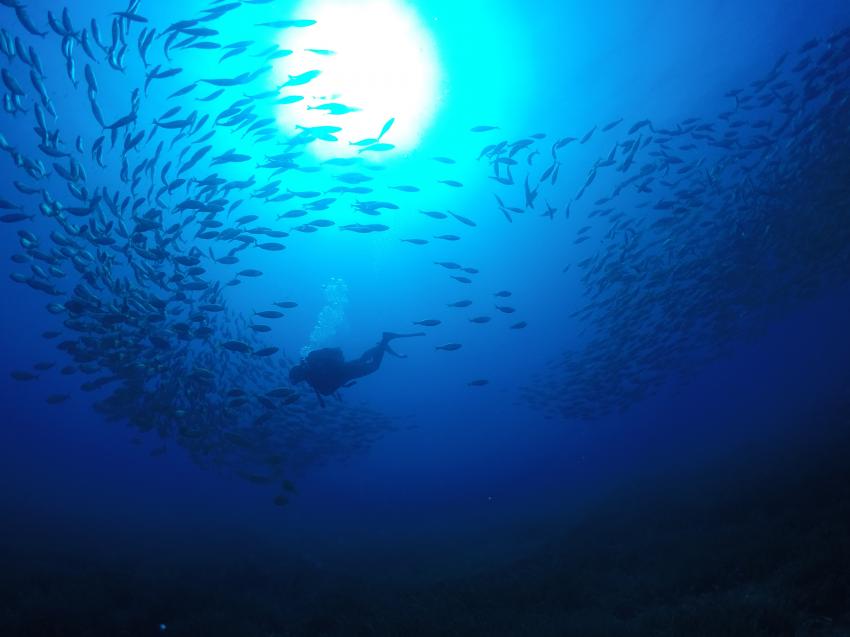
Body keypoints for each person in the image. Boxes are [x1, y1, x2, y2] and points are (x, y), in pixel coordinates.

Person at [289, 332, 424, 406]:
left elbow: (327, 390)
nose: (301, 380)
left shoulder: (312, 376)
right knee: (361, 359)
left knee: (374, 367)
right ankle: (380, 346)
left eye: (298, 379)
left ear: (299, 375)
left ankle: (384, 342)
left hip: (346, 372)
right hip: (345, 368)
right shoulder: (311, 367)